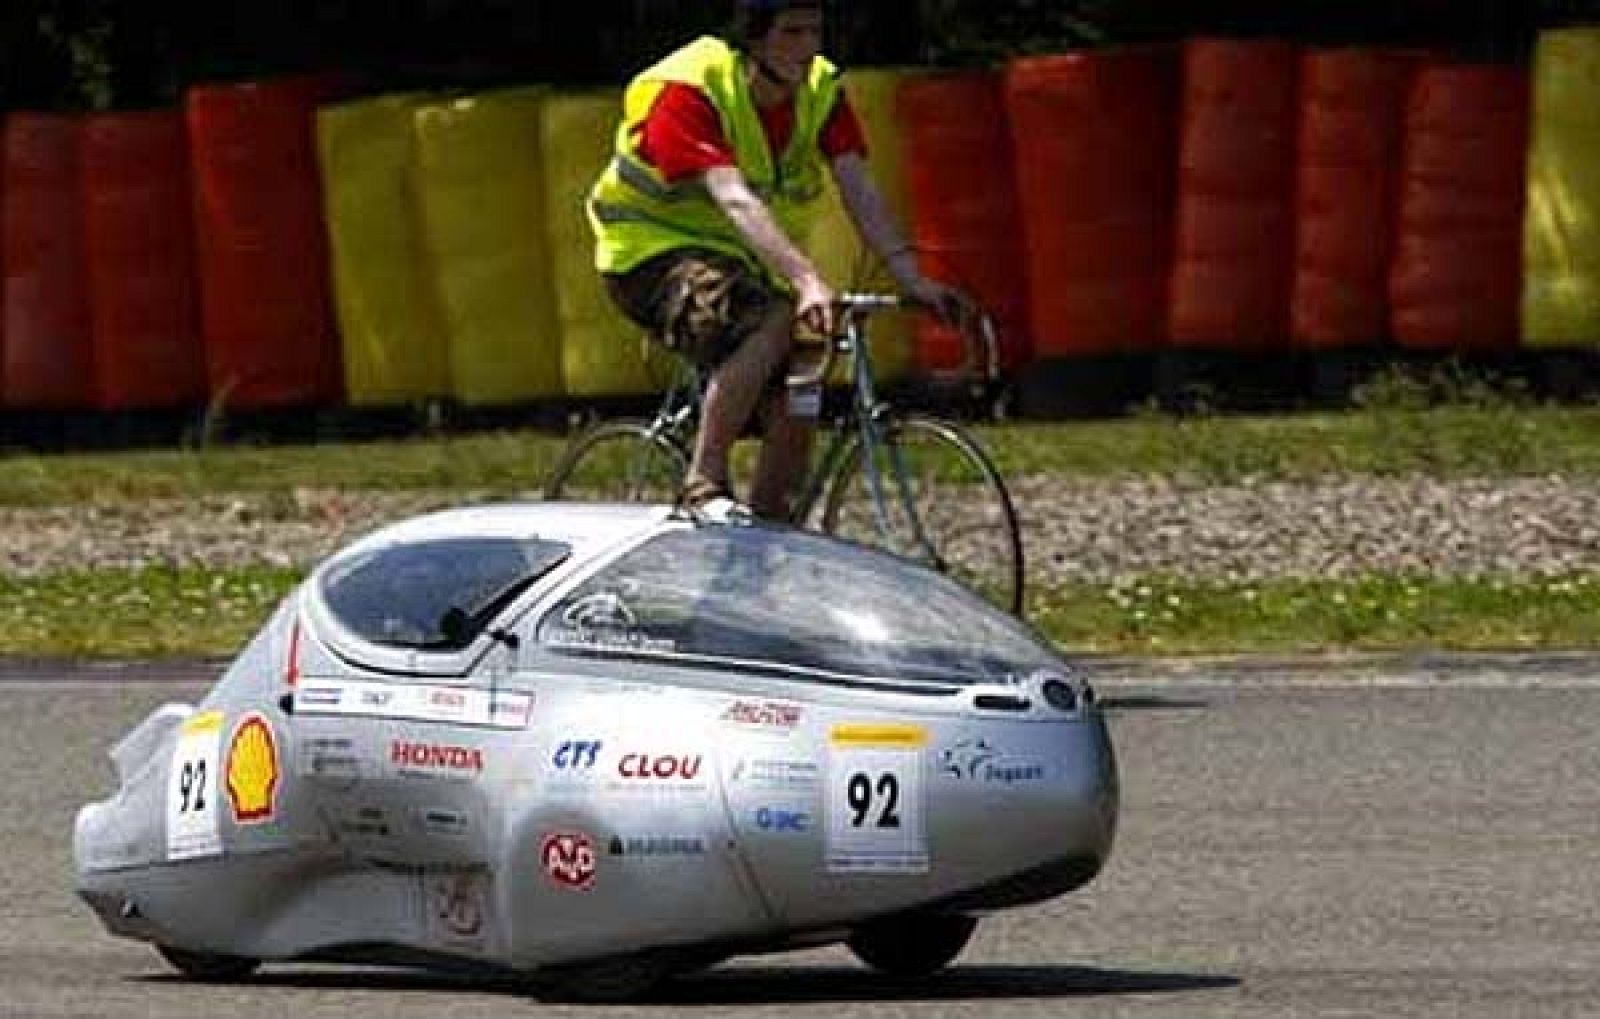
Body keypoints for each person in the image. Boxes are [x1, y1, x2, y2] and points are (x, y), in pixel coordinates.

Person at [587, 0, 967, 520]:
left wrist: (910, 276)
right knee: (769, 321)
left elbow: (857, 185)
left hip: (742, 257)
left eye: (815, 30)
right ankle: (703, 482)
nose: (808, 46)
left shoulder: (819, 91)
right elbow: (733, 196)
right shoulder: (688, 89)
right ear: (754, 39)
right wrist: (808, 279)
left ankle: (771, 525)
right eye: (792, 32)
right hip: (649, 252)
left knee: (808, 359)